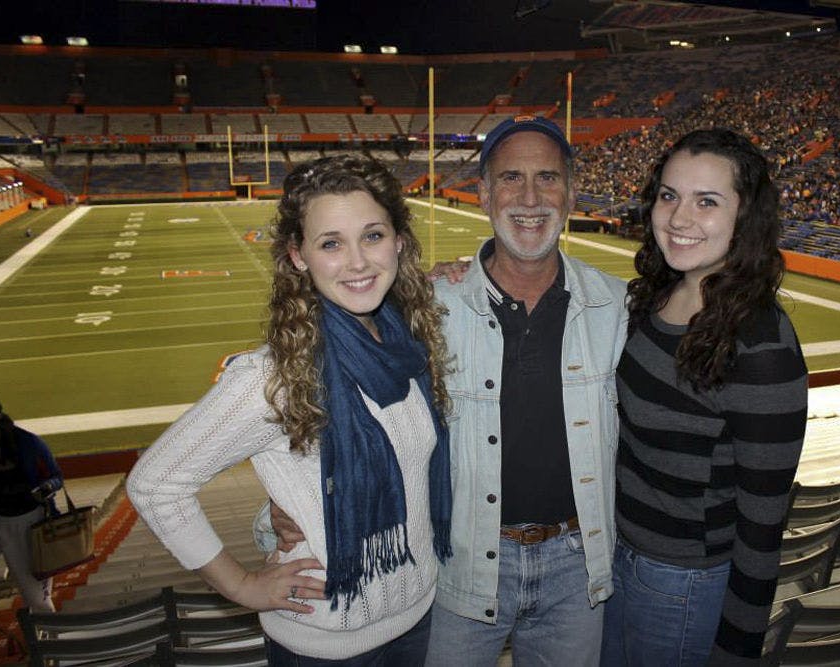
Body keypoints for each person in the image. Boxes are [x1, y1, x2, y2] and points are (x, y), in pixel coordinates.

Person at [267, 116, 628, 666]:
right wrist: (282, 507)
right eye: (510, 178)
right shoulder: (425, 307)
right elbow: (326, 404)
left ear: (571, 192)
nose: (529, 198)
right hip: (462, 564)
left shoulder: (617, 307)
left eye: (547, 178)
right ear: (482, 192)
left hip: (578, 567)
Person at [126, 154, 453, 666]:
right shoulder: (272, 377)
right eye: (330, 243)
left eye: (372, 235)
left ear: (400, 242)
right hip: (325, 644)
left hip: (417, 619)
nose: (358, 261)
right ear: (298, 256)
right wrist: (242, 586)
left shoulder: (408, 344)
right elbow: (155, 483)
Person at [600, 128, 808, 666]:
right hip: (618, 559)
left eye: (707, 201)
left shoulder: (760, 344)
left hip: (683, 584)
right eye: (669, 195)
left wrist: (737, 650)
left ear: (746, 217)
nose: (679, 217)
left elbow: (764, 524)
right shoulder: (655, 297)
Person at [0, 398, 62, 613]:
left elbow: (56, 477)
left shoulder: (28, 442)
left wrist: (46, 486)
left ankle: (50, 641)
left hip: (28, 524)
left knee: (38, 600)